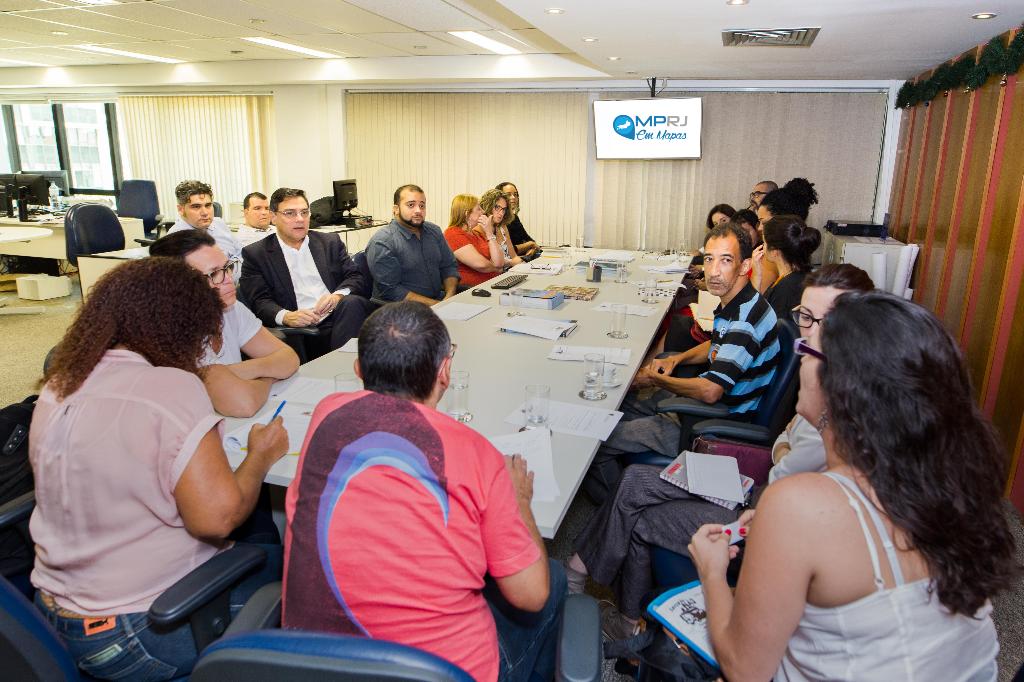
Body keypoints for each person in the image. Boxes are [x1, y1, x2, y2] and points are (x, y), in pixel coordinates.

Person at [688, 290, 1015, 681]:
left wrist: (712, 570)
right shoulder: (946, 483)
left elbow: (745, 669)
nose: (799, 359)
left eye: (807, 350)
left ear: (838, 383)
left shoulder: (797, 503)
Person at [568, 264, 876, 640]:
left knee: (638, 506)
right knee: (634, 482)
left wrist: (780, 452)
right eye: (805, 317)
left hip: (758, 512)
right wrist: (781, 449)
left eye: (823, 320)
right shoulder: (822, 372)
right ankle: (601, 592)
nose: (809, 331)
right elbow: (783, 442)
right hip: (757, 488)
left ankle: (614, 608)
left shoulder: (842, 402)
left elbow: (785, 462)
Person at [29, 257, 288, 680]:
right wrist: (261, 454)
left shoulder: (62, 382)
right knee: (303, 570)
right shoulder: (171, 387)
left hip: (48, 616)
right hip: (141, 629)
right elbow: (218, 519)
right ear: (185, 326)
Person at [282, 302, 566, 682]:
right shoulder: (477, 454)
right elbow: (531, 595)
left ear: (358, 370)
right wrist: (520, 501)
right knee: (554, 580)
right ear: (445, 371)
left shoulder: (326, 413)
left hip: (312, 668)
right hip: (443, 673)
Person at [585, 223, 779, 499]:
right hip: (705, 408)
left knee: (597, 439)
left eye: (726, 260)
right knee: (619, 403)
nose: (713, 270)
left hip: (710, 422)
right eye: (709, 259)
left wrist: (656, 379)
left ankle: (618, 508)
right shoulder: (740, 301)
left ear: (744, 266)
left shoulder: (744, 322)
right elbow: (718, 343)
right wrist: (678, 358)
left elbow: (711, 391)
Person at [149, 230, 300, 417]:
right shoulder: (172, 330)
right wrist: (267, 377)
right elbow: (242, 404)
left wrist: (237, 373)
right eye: (214, 273)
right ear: (178, 286)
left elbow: (289, 358)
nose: (229, 279)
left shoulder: (231, 308)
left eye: (227, 267)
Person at [239, 187, 374, 354]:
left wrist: (337, 296)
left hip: (339, 315)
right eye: (290, 213)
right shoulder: (256, 254)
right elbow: (259, 301)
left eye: (304, 212)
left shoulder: (329, 242)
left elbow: (355, 277)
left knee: (353, 304)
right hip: (303, 329)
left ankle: (343, 364)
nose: (300, 219)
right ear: (273, 217)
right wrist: (286, 316)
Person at [366, 184, 459, 304]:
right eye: (411, 205)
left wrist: (449, 297)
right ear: (396, 209)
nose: (418, 210)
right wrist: (437, 305)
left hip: (438, 300)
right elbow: (392, 291)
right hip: (398, 309)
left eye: (422, 205)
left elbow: (449, 266)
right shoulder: (382, 242)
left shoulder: (434, 231)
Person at [752, 215, 821, 319]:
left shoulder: (786, 289)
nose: (762, 247)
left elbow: (758, 322)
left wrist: (756, 276)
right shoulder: (797, 276)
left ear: (775, 252)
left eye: (764, 243)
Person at [167, 180, 243, 262]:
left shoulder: (219, 223)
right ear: (181, 209)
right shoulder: (175, 239)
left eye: (208, 205)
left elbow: (241, 253)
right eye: (196, 206)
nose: (205, 213)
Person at [444, 193, 508, 288]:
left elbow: (499, 262)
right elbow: (481, 265)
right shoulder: (452, 233)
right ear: (467, 214)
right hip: (473, 289)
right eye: (478, 209)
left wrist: (489, 233)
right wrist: (496, 268)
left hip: (493, 283)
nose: (483, 211)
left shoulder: (476, 234)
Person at [480, 188, 523, 269]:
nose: (501, 213)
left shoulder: (502, 227)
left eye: (504, 209)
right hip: (495, 273)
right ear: (487, 206)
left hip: (510, 270)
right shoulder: (479, 228)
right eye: (497, 207)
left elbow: (514, 257)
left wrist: (525, 266)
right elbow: (489, 264)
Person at [497, 181, 539, 258]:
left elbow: (529, 240)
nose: (513, 197)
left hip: (520, 258)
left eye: (515, 194)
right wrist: (529, 245)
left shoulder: (514, 217)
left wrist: (532, 248)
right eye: (508, 195)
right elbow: (506, 250)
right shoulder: (497, 220)